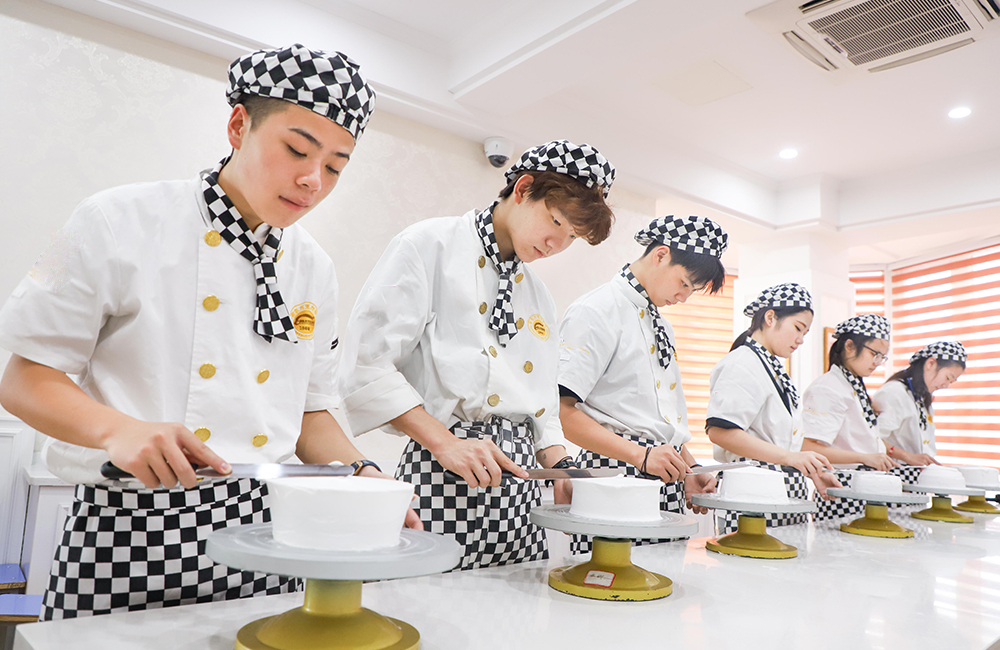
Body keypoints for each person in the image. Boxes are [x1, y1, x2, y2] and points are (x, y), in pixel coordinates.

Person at [0, 44, 415, 620]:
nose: (312, 180)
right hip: (127, 527)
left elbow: (308, 412)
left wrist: (361, 472)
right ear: (239, 125)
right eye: (297, 150)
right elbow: (23, 378)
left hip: (265, 529)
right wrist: (118, 430)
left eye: (335, 167)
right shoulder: (113, 218)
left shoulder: (314, 267)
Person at [338, 140, 616, 570]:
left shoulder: (538, 294)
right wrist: (446, 443)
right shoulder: (429, 245)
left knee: (518, 602)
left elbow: (542, 400)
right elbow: (368, 363)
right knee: (427, 597)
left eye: (572, 237)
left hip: (520, 487)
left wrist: (560, 464)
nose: (556, 243)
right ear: (522, 189)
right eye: (556, 221)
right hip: (442, 467)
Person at [558, 215, 727, 554]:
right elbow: (561, 412)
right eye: (684, 283)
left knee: (665, 578)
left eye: (691, 291)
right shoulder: (597, 310)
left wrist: (689, 467)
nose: (683, 297)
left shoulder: (662, 326)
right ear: (661, 255)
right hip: (613, 473)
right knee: (609, 579)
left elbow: (657, 420)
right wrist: (642, 455)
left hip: (663, 472)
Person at [706, 283, 839, 534]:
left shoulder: (771, 368)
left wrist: (811, 470)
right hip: (753, 495)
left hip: (781, 492)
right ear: (770, 318)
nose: (800, 340)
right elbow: (720, 431)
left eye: (805, 333)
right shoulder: (742, 363)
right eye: (798, 328)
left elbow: (781, 442)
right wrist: (790, 458)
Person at [801, 314, 896, 521]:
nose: (877, 362)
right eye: (874, 354)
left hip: (864, 486)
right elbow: (809, 448)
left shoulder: (853, 386)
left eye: (882, 357)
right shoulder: (828, 387)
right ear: (850, 346)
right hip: (841, 488)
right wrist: (866, 457)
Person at [874, 340, 967, 480]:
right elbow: (871, 438)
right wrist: (906, 456)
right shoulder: (894, 392)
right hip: (893, 475)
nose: (946, 385)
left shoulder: (923, 398)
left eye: (951, 382)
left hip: (916, 476)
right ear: (930, 364)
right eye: (948, 378)